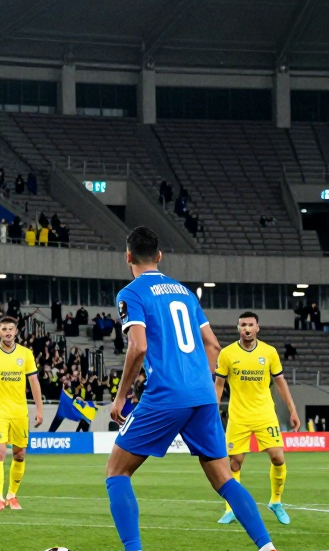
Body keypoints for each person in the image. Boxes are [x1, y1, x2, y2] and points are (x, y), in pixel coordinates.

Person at [107, 227, 277, 551]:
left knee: (116, 472)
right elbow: (213, 345)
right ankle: (267, 547)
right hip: (201, 394)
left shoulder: (131, 293)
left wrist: (121, 395)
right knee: (224, 479)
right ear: (159, 256)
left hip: (167, 394)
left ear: (128, 256)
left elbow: (138, 346)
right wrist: (205, 388)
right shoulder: (185, 292)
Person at [215, 312, 301, 526]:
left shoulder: (269, 353)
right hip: (238, 416)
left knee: (278, 458)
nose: (247, 328)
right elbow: (219, 386)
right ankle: (231, 509)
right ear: (238, 328)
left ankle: (276, 502)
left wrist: (292, 409)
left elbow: (280, 382)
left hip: (265, 414)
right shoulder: (227, 354)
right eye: (243, 324)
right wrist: (212, 414)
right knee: (235, 463)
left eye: (250, 325)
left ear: (257, 328)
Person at [0, 316, 44, 511]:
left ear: (16, 331)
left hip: (20, 411)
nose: (8, 332)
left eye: (11, 329)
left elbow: (34, 382)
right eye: (4, 329)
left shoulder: (26, 354)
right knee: (0, 451)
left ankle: (12, 495)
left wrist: (39, 409)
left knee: (20, 454)